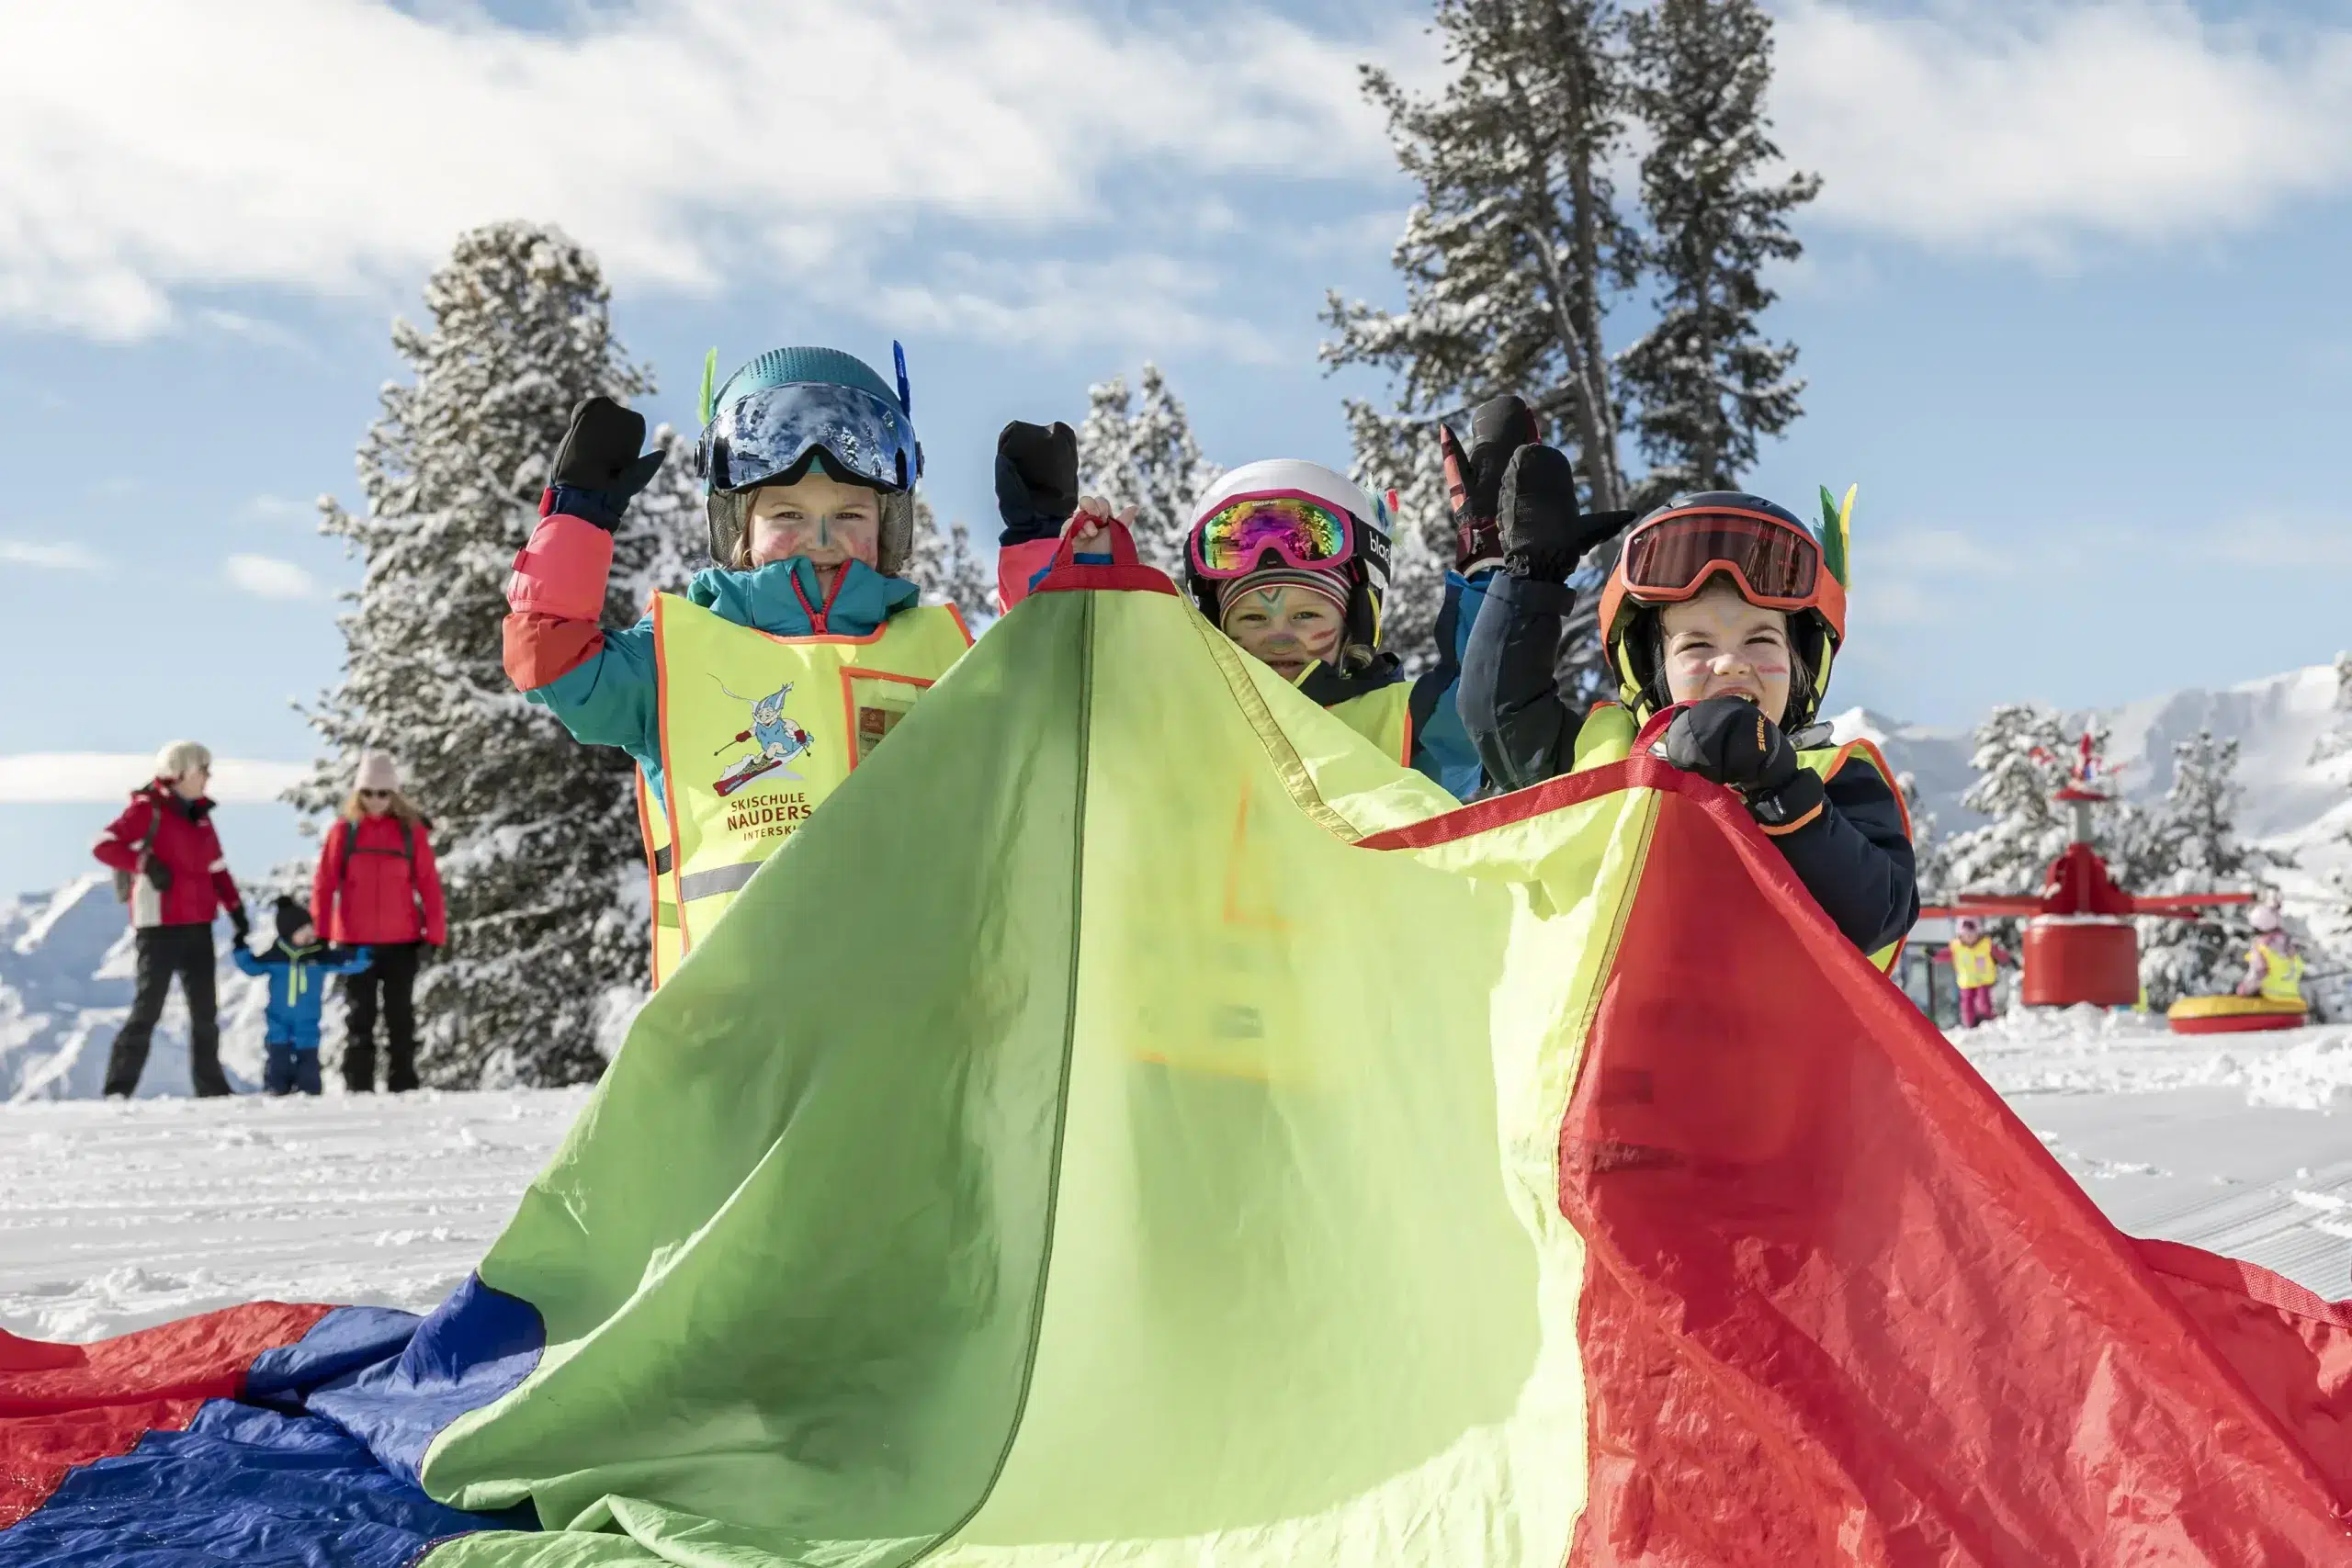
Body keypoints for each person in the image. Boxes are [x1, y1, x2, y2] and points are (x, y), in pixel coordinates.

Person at [503, 346, 987, 983]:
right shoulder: (677, 655)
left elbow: (1059, 711)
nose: (821, 538)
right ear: (739, 526)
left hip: (908, 1029)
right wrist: (577, 519)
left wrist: (1053, 555)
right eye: (788, 514)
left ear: (888, 526)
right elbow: (551, 659)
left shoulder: (942, 656)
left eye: (849, 514)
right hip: (736, 1038)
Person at [1459, 435, 1917, 964]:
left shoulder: (1837, 778)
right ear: (1650, 672)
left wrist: (1780, 787)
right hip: (1615, 1043)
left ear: (1803, 667)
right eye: (1697, 644)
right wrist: (1530, 581)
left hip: (1771, 1046)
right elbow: (1497, 715)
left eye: (1761, 640)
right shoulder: (1599, 763)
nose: (1730, 663)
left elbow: (1877, 913)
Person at [994, 416, 1496, 799]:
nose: (1279, 637)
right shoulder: (1177, 731)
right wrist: (1074, 584)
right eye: (1253, 618)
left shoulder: (1401, 727)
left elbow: (1483, 712)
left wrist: (1494, 579)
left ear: (1357, 620)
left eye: (1306, 616)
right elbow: (1063, 713)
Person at [91, 740, 251, 1097]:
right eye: (202, 770)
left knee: (205, 1013)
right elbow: (103, 844)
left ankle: (212, 1089)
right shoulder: (147, 811)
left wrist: (236, 909)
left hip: (198, 924)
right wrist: (145, 864)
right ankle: (118, 1088)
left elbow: (217, 868)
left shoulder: (200, 816)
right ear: (180, 774)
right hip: (158, 926)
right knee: (148, 1007)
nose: (208, 776)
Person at [311, 750, 446, 1091]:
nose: (375, 800)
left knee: (400, 1018)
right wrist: (321, 935)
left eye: (382, 793)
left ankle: (403, 1085)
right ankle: (358, 1086)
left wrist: (435, 935)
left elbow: (428, 884)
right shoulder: (344, 832)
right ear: (358, 793)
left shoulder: (409, 833)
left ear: (394, 794)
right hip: (355, 943)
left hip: (403, 942)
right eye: (368, 793)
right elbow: (325, 884)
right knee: (360, 1018)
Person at [232, 897, 372, 1097]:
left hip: (308, 1021)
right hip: (278, 1020)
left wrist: (364, 953)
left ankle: (310, 1092)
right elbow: (251, 967)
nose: (309, 935)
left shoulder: (319, 957)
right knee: (278, 1059)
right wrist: (240, 949)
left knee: (308, 1061)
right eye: (302, 931)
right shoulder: (276, 957)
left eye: (310, 929)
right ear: (289, 934)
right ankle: (275, 1090)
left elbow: (347, 964)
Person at [1935, 915, 2014, 1028]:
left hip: (1983, 979)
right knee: (1967, 1004)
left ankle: (1987, 1020)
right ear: (1960, 935)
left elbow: (1998, 953)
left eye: (1972, 935)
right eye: (1966, 935)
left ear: (1978, 933)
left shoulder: (1985, 944)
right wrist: (1935, 955)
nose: (1969, 938)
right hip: (1966, 981)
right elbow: (1945, 955)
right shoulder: (1956, 947)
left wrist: (2006, 958)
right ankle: (1969, 1023)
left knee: (1983, 1001)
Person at [2237, 904, 2306, 1008]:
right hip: (2293, 999)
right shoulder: (2289, 946)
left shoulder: (2260, 947)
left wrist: (2242, 990)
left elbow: (2257, 974)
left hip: (2271, 1000)